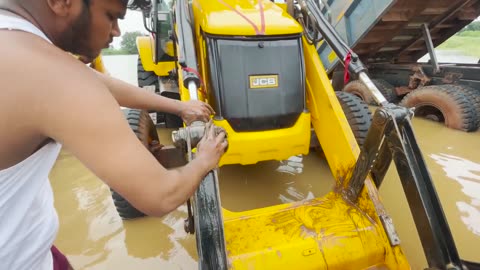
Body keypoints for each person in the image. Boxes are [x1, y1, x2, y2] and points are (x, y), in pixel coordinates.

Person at [0, 0, 228, 269]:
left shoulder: (18, 47)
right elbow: (162, 195)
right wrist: (204, 159)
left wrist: (179, 107)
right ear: (61, 2)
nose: (117, 31)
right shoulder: (54, 78)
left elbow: (100, 83)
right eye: (111, 16)